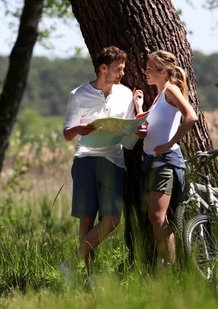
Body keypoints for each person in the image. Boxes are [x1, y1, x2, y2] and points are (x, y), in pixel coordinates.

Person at [59, 46, 142, 284]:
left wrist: (138, 130)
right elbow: (67, 133)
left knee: (112, 220)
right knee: (86, 220)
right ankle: (88, 277)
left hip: (113, 160)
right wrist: (77, 129)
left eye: (123, 69)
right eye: (118, 69)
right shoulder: (78, 94)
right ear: (103, 68)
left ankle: (71, 263)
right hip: (85, 159)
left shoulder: (125, 94)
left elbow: (127, 134)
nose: (122, 73)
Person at [133, 50, 198, 266]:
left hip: (165, 162)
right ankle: (169, 265)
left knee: (158, 217)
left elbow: (191, 116)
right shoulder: (160, 95)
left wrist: (170, 144)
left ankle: (170, 268)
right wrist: (140, 108)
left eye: (149, 69)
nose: (146, 72)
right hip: (152, 163)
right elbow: (155, 126)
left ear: (162, 71)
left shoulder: (170, 90)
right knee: (156, 217)